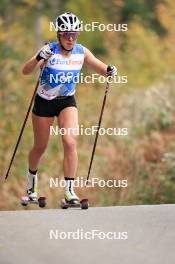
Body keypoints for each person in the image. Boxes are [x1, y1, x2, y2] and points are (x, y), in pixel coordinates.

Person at [22, 12, 117, 205]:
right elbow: (26, 71)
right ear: (59, 34)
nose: (71, 38)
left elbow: (100, 67)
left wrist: (109, 70)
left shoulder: (81, 52)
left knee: (70, 142)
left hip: (67, 102)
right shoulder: (49, 50)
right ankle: (32, 185)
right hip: (44, 103)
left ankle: (69, 191)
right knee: (40, 147)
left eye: (75, 33)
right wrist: (38, 57)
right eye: (66, 34)